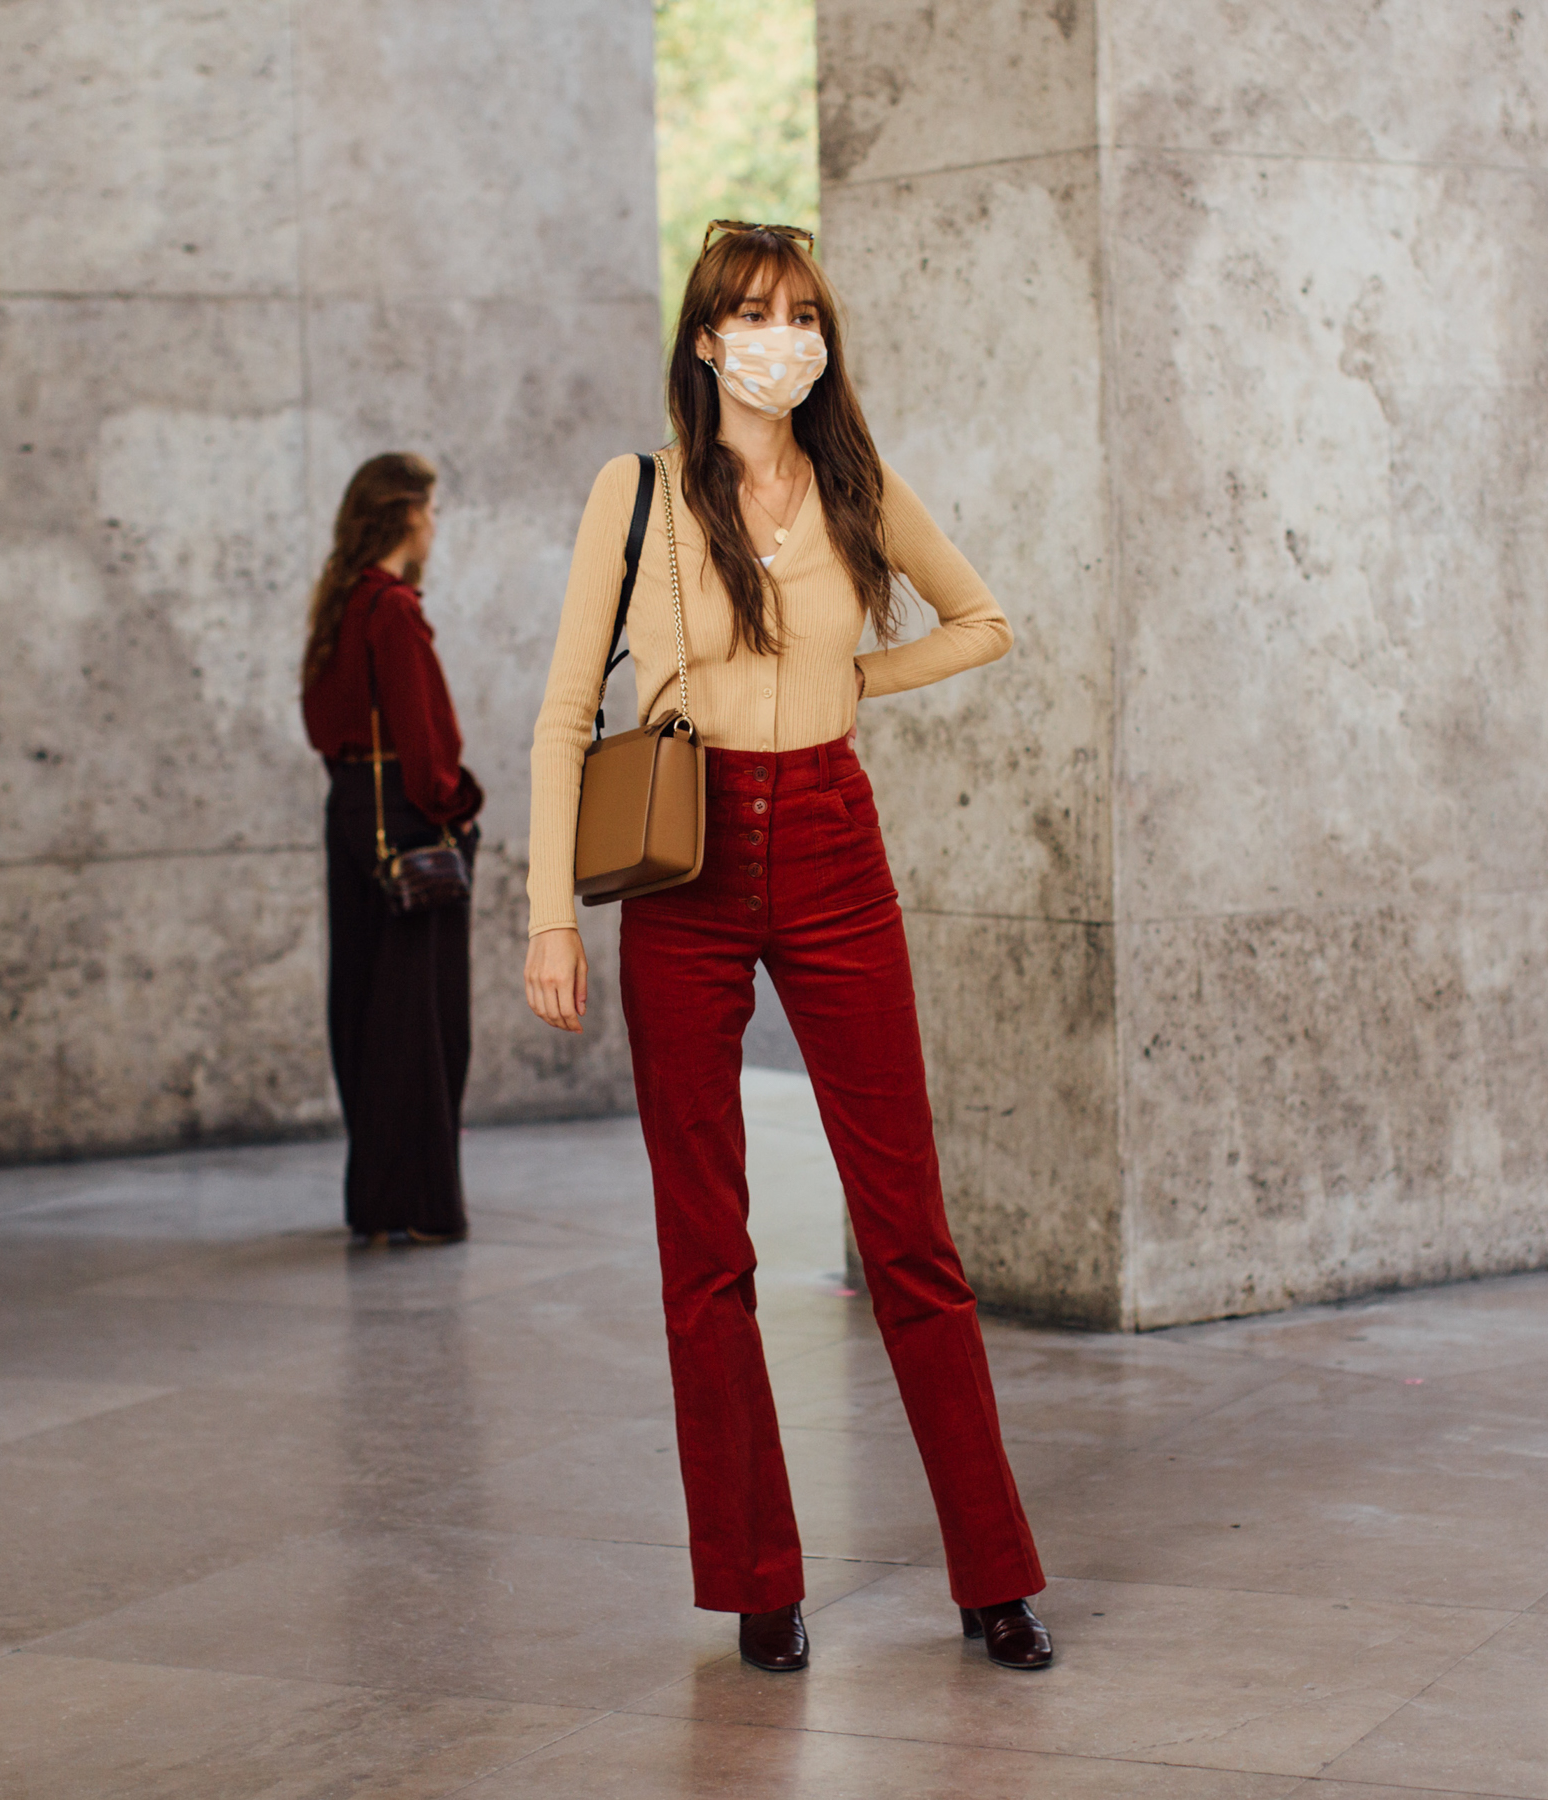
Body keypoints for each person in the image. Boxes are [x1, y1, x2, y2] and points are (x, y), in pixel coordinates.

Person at [522, 222, 1049, 1676]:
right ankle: (759, 1578)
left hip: (828, 836)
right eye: (752, 313)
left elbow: (985, 621)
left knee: (910, 1233)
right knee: (709, 1248)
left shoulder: (855, 484)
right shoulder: (635, 495)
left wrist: (848, 678)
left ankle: (994, 1577)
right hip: (681, 862)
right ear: (705, 341)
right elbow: (568, 714)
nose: (781, 335)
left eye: (802, 313)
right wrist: (547, 914)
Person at [301, 453, 484, 1242]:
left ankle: (378, 1204)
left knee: (366, 1011)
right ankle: (422, 1208)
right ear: (405, 514)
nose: (436, 525)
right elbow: (424, 744)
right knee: (423, 1024)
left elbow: (322, 725)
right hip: (410, 828)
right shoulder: (393, 611)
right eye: (432, 509)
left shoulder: (340, 605)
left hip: (351, 818)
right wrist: (458, 807)